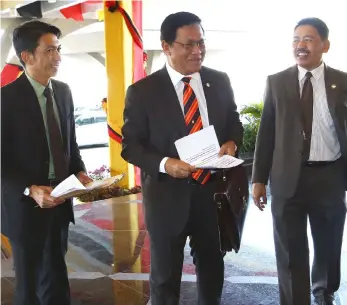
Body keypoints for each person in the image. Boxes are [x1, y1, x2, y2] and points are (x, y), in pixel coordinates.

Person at [121, 11, 243, 305]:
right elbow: (131, 147)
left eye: (201, 43)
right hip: (167, 199)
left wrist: (231, 143)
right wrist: (165, 164)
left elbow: (234, 124)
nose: (197, 51)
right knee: (165, 279)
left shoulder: (219, 81)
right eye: (188, 45)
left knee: (213, 270)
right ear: (166, 46)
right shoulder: (142, 92)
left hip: (212, 196)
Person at [252, 17, 347, 305]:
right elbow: (265, 133)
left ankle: (324, 290)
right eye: (296, 39)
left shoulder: (342, 82)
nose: (300, 45)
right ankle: (295, 300)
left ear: (325, 45)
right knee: (290, 248)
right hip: (286, 179)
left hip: (329, 176)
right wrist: (258, 179)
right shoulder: (277, 82)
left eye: (308, 39)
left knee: (329, 242)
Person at [1, 20, 92, 305]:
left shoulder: (63, 92)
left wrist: (81, 172)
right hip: (25, 205)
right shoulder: (6, 99)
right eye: (50, 50)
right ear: (27, 56)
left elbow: (70, 143)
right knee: (28, 286)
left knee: (56, 276)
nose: (58, 57)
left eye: (59, 49)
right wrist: (31, 189)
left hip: (60, 199)